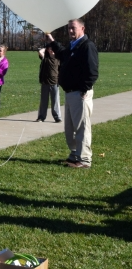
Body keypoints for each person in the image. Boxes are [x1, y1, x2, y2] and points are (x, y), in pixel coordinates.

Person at [47, 19, 98, 168]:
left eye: (73, 28)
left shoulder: (87, 46)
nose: (70, 31)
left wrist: (84, 89)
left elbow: (93, 71)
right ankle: (75, 154)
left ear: (83, 28)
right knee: (70, 128)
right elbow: (63, 55)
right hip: (70, 93)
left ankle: (84, 160)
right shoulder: (73, 45)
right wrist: (52, 41)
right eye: (69, 28)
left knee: (82, 128)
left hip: (80, 94)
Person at [36, 46, 61, 123]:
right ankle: (41, 117)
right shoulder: (45, 58)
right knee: (44, 101)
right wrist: (46, 47)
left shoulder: (58, 59)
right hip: (45, 82)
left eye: (53, 49)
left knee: (55, 101)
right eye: (50, 49)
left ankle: (57, 117)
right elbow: (40, 52)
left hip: (55, 82)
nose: (52, 50)